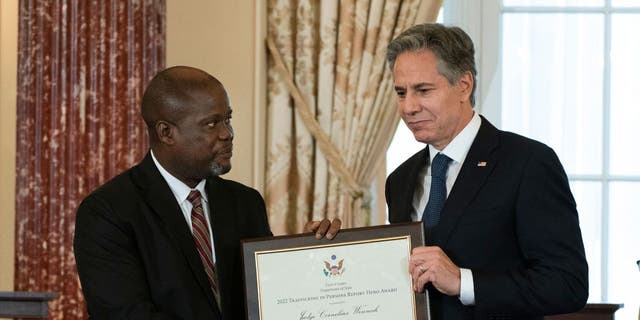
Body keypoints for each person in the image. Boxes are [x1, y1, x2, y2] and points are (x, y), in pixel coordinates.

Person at [73, 66, 340, 319]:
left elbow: (265, 299)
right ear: (166, 132)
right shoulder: (108, 212)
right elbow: (125, 314)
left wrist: (305, 257)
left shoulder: (246, 203)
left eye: (228, 119)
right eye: (211, 124)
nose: (228, 134)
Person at [385, 23, 588, 319]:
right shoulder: (399, 180)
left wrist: (462, 282)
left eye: (423, 90)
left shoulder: (528, 163)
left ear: (464, 86)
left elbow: (567, 284)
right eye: (401, 92)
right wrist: (327, 250)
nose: (409, 107)